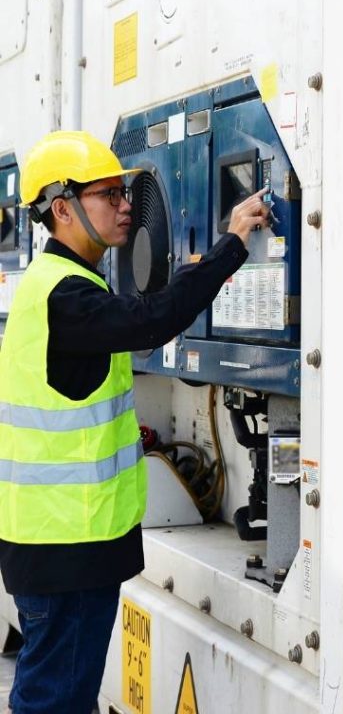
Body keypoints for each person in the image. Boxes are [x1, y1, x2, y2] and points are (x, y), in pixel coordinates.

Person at [0, 131, 268, 714]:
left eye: (125, 192)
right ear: (62, 208)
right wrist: (231, 245)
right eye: (108, 194)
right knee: (55, 702)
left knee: (64, 695)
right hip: (66, 547)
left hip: (65, 546)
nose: (126, 205)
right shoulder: (64, 295)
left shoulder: (62, 285)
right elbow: (152, 319)